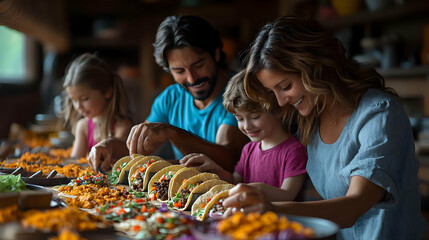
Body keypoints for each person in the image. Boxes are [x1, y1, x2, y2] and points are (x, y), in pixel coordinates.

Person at [222, 16, 426, 239]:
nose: (280, 102)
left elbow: (353, 206)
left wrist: (273, 209)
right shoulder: (311, 120)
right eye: (273, 92)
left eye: (286, 86)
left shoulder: (380, 114)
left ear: (314, 66)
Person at [88, 15, 248, 172]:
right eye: (179, 71)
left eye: (198, 65)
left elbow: (229, 161)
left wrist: (172, 132)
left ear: (216, 54)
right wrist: (108, 146)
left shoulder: (239, 90)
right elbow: (137, 148)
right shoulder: (170, 98)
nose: (191, 78)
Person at [180, 70, 307, 201]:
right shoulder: (248, 149)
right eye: (239, 119)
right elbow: (235, 181)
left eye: (255, 116)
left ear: (279, 109)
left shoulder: (294, 151)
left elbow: (288, 195)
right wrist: (214, 168)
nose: (246, 126)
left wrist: (255, 188)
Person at [63, 53, 133, 159]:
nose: (78, 107)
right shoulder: (83, 126)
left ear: (107, 92)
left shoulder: (122, 126)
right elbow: (76, 162)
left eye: (85, 99)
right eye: (74, 100)